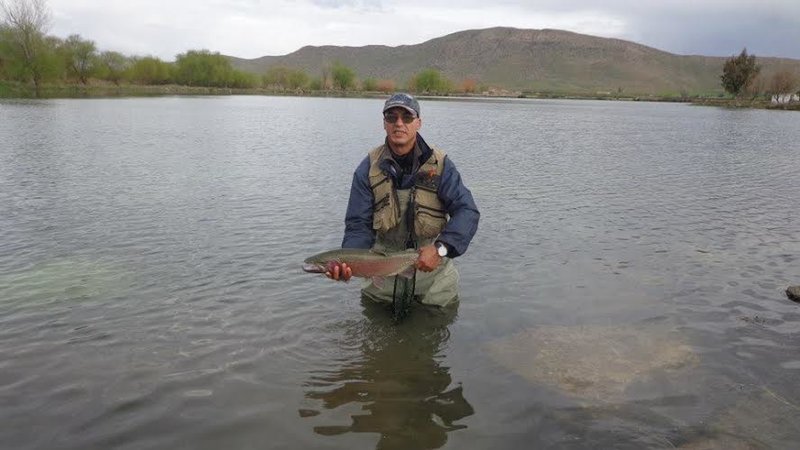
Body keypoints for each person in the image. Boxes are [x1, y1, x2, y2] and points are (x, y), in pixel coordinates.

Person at [327, 93, 479, 309]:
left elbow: (467, 211)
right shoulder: (367, 169)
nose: (399, 123)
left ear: (418, 123)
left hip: (434, 283)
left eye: (407, 117)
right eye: (392, 117)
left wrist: (441, 249)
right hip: (382, 285)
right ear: (384, 123)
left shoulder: (441, 165)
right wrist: (349, 263)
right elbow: (358, 225)